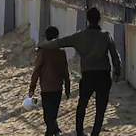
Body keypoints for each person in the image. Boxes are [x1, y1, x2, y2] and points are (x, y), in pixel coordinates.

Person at [38, 7, 122, 136]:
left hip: (88, 74)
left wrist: (43, 45)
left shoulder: (80, 36)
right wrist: (117, 72)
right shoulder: (106, 36)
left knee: (82, 105)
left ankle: (79, 132)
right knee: (100, 108)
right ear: (99, 19)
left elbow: (59, 42)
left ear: (87, 19)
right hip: (103, 75)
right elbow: (115, 56)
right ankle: (95, 133)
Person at [30, 26, 70, 136]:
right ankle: (55, 130)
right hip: (58, 87)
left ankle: (51, 131)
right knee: (53, 113)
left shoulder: (42, 51)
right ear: (57, 37)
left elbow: (37, 70)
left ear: (46, 37)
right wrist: (67, 87)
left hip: (46, 88)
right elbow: (65, 71)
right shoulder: (61, 52)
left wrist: (32, 87)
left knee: (48, 114)